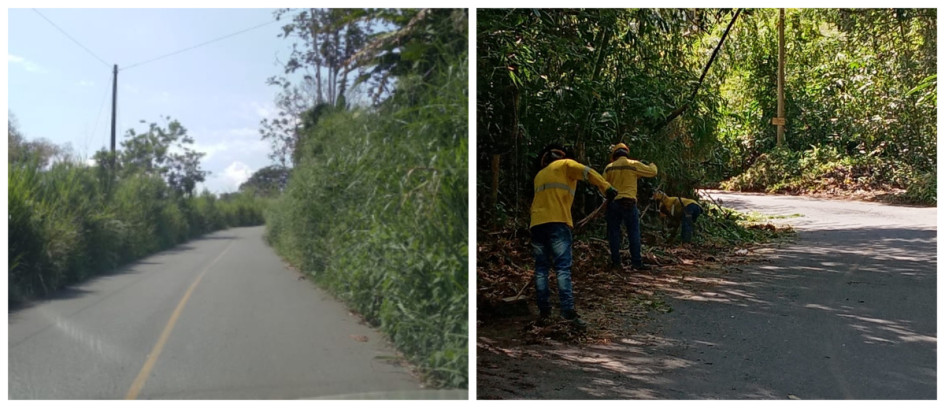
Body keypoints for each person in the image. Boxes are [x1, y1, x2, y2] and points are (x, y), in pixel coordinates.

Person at [530, 145, 617, 330]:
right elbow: (588, 172)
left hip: (537, 224)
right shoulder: (566, 164)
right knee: (562, 268)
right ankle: (567, 312)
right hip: (558, 222)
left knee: (541, 269)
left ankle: (544, 312)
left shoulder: (539, 175)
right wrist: (607, 187)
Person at [603, 143, 658, 270]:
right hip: (629, 203)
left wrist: (608, 196)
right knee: (633, 232)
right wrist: (652, 164)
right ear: (627, 153)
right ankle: (636, 263)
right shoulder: (633, 164)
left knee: (614, 233)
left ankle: (616, 263)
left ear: (614, 155)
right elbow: (653, 172)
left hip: (614, 203)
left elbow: (602, 184)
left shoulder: (609, 167)